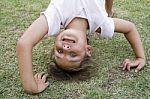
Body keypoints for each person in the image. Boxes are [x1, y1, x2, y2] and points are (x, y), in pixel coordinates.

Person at [16, 0, 145, 94]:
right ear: (87, 50)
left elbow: (24, 44)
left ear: (55, 42)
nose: (66, 48)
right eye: (73, 55)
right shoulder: (101, 22)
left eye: (59, 51)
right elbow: (130, 28)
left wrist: (31, 87)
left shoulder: (54, 16)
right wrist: (140, 57)